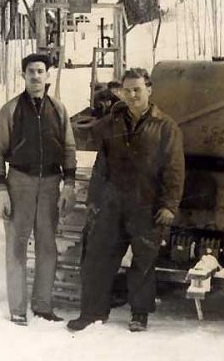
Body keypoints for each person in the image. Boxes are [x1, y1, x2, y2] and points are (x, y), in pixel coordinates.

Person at [67, 68, 185, 332]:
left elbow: (175, 170)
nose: (132, 95)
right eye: (127, 90)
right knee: (98, 256)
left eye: (137, 90)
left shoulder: (165, 127)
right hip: (112, 203)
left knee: (143, 260)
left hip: (147, 203)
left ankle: (139, 313)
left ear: (149, 90)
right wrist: (93, 200)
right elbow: (101, 165)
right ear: (121, 92)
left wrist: (169, 205)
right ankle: (92, 312)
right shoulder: (112, 123)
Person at [0, 53, 77, 326]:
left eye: (41, 71)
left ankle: (42, 305)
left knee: (47, 245)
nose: (36, 76)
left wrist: (70, 184)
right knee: (16, 245)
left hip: (51, 184)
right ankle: (18, 309)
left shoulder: (59, 109)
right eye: (31, 71)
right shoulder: (10, 109)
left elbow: (70, 148)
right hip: (20, 183)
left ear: (47, 75)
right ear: (23, 76)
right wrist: (1, 188)